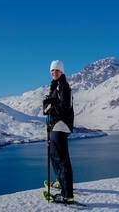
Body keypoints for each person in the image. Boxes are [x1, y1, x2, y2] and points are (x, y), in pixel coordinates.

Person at [43, 60, 75, 204]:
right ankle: (60, 182)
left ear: (62, 71)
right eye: (52, 71)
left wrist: (50, 106)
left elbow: (65, 106)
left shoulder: (64, 86)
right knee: (54, 156)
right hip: (55, 125)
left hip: (61, 125)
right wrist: (49, 104)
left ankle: (67, 195)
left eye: (57, 70)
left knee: (62, 160)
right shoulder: (56, 86)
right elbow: (53, 106)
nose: (54, 73)